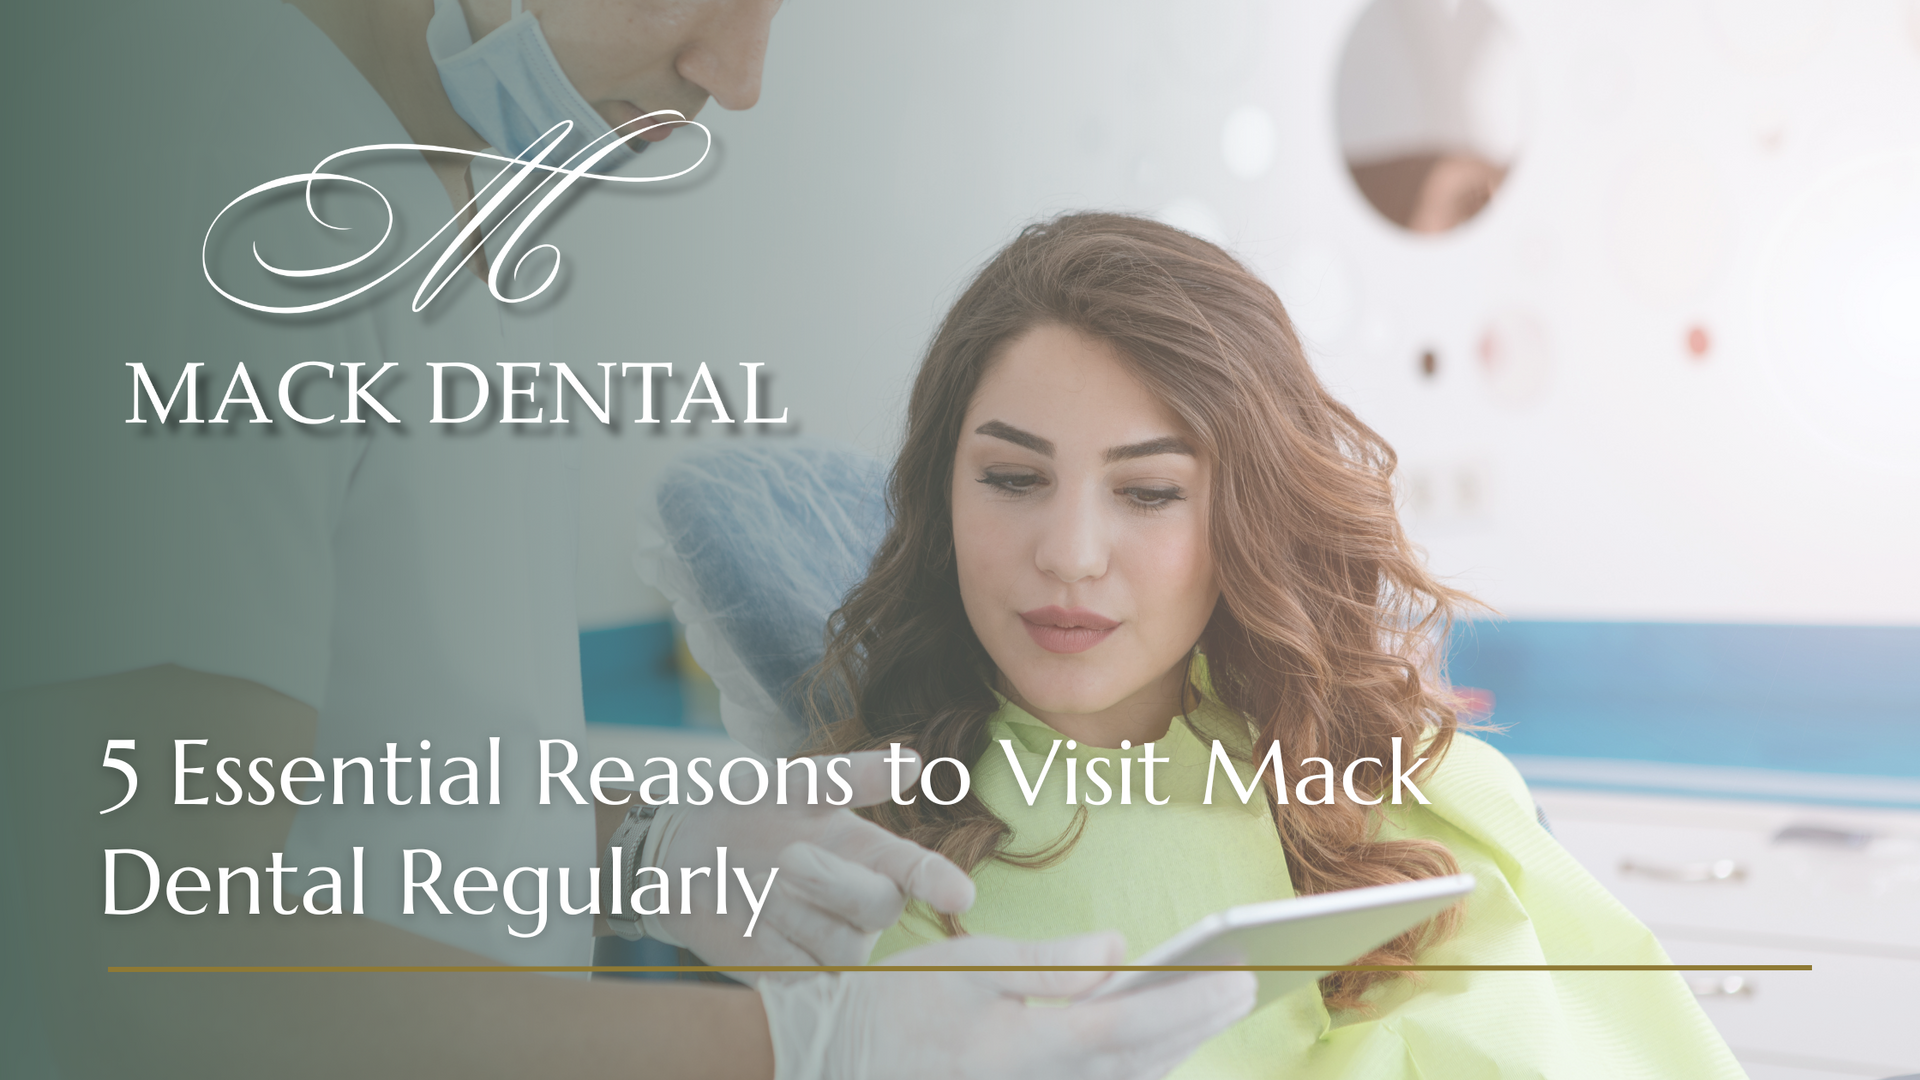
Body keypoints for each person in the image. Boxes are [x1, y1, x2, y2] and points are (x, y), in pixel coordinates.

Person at [0, 4, 1253, 1078]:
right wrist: (800, 1050)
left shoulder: (437, 201)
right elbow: (142, 944)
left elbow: (381, 782)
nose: (738, 73)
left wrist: (645, 848)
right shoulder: (215, 188)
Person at [809, 212, 1749, 1078]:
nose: (1070, 556)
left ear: (1248, 517)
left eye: (1148, 493)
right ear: (942, 498)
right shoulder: (856, 846)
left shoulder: (1397, 795)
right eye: (1013, 478)